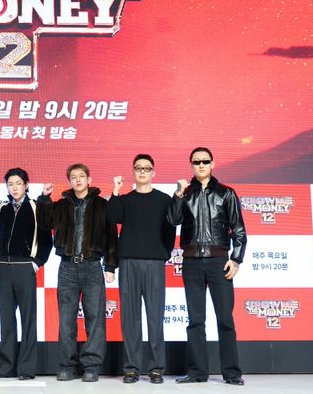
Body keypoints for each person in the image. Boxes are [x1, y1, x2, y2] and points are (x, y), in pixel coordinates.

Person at [167, 147, 247, 386]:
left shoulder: (226, 193)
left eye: (205, 161)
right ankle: (197, 372)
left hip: (219, 263)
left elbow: (238, 229)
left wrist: (236, 259)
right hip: (191, 262)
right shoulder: (185, 193)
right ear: (191, 165)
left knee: (225, 319)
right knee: (195, 320)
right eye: (196, 162)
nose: (201, 165)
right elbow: (173, 220)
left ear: (212, 163)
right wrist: (178, 194)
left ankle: (231, 373)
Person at [37, 163, 117, 382]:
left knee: (95, 318)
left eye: (81, 176)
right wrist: (44, 198)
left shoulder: (102, 205)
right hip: (67, 267)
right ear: (69, 181)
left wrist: (110, 266)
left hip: (93, 266)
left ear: (89, 179)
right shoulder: (61, 205)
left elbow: (111, 236)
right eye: (73, 177)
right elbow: (45, 223)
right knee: (66, 319)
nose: (78, 180)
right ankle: (67, 365)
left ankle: (92, 365)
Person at [107, 154, 176, 384]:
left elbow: (169, 231)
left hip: (154, 263)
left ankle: (156, 368)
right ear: (133, 172)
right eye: (138, 168)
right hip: (128, 263)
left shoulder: (164, 200)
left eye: (147, 168)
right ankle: (131, 368)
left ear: (153, 172)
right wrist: (115, 191)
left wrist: (163, 253)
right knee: (130, 318)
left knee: (155, 317)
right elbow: (112, 217)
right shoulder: (125, 199)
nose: (142, 172)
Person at [0, 168, 52, 380]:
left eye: (18, 183)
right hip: (4, 267)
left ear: (26, 185)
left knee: (28, 319)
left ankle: (26, 369)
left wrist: (37, 263)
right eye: (10, 184)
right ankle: (6, 368)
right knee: (6, 319)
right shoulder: (4, 207)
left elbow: (46, 240)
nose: (14, 188)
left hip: (25, 267)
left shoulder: (36, 206)